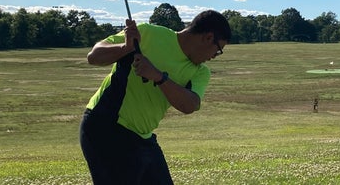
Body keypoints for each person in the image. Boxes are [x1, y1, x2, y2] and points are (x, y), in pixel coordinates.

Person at [79, 10, 231, 184]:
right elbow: (94, 56)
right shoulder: (148, 33)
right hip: (105, 126)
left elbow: (190, 105)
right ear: (208, 38)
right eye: (218, 50)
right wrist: (125, 48)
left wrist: (159, 77)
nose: (213, 57)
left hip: (142, 137)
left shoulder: (200, 72)